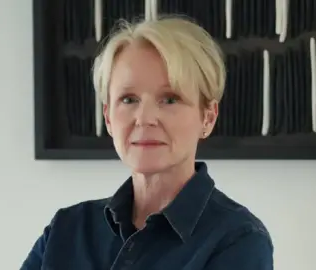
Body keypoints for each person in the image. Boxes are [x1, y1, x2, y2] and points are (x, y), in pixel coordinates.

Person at [21, 15, 274, 270]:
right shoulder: (66, 230)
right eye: (129, 99)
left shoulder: (238, 240)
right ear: (108, 117)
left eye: (170, 99)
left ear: (207, 117)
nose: (145, 119)